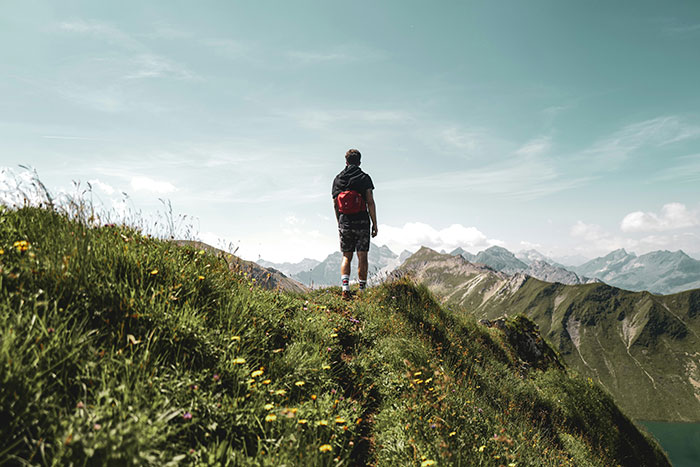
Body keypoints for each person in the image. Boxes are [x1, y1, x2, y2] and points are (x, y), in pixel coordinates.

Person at [332, 149, 378, 299]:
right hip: (362, 221)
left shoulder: (338, 179)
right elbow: (370, 202)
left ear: (346, 161)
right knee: (362, 255)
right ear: (359, 162)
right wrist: (374, 223)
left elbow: (335, 204)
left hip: (345, 221)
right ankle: (362, 290)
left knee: (346, 256)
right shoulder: (364, 178)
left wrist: (339, 221)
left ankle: (345, 288)